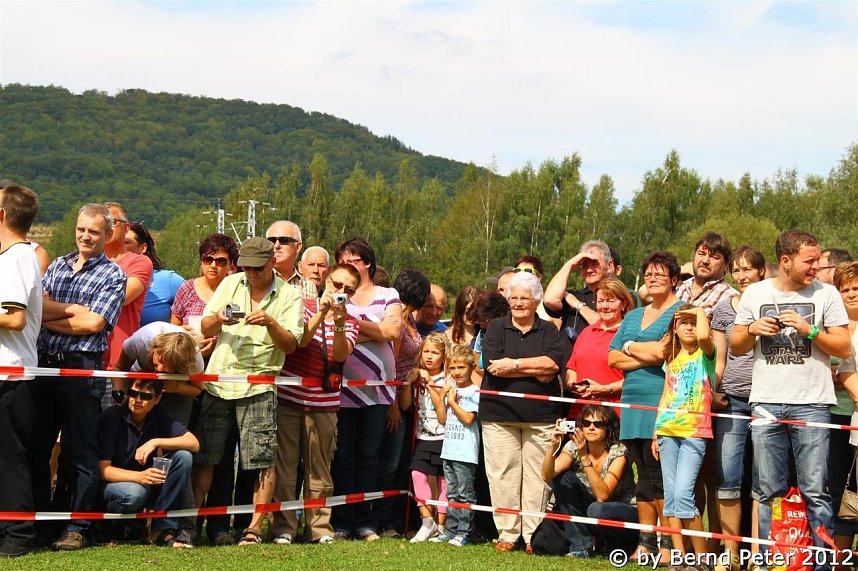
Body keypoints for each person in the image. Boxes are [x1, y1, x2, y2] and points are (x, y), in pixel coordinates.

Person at [732, 229, 851, 568]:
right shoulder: (756, 292)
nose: (816, 267)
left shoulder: (827, 293)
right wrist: (752, 329)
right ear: (786, 261)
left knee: (815, 491)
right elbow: (737, 345)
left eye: (817, 261)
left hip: (813, 403)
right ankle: (771, 562)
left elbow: (843, 347)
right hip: (766, 403)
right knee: (767, 490)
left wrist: (808, 329)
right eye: (809, 261)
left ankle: (822, 564)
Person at [191, 236, 303, 546]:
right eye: (246, 268)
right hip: (219, 384)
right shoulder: (231, 283)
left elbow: (290, 344)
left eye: (257, 268)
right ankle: (190, 523)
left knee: (261, 461)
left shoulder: (289, 296)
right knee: (207, 458)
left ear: (272, 263)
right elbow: (206, 326)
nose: (251, 274)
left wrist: (270, 323)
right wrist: (219, 319)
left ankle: (253, 529)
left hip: (259, 386)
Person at [30, 203, 126, 551]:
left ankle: (77, 526)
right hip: (44, 365)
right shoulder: (57, 265)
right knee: (38, 448)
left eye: (94, 231)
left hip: (82, 368)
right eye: (81, 229)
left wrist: (50, 316)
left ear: (108, 234)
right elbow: (35, 309)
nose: (85, 236)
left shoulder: (113, 275)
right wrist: (72, 310)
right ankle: (42, 523)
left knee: (80, 453)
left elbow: (95, 323)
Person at [270, 263, 360, 545]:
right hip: (289, 400)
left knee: (319, 470)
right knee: (284, 468)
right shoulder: (302, 307)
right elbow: (299, 342)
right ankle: (283, 528)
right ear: (326, 280)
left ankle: (319, 529)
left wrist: (339, 323)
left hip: (324, 405)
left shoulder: (351, 322)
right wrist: (322, 311)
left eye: (348, 289)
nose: (341, 291)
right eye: (337, 284)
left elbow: (341, 355)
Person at [481, 271, 565, 553]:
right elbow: (493, 365)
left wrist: (514, 365)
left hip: (541, 417)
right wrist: (535, 368)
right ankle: (507, 533)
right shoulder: (495, 328)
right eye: (514, 297)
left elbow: (553, 365)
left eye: (524, 298)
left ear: (536, 301)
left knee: (538, 477)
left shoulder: (549, 330)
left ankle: (533, 536)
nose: (518, 303)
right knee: (502, 473)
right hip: (498, 415)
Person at [608, 251, 684, 560]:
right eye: (648, 274)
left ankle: (668, 544)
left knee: (659, 475)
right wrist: (642, 351)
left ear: (674, 279)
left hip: (661, 400)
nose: (652, 279)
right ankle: (645, 541)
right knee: (642, 473)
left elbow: (667, 353)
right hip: (631, 402)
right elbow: (612, 357)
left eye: (659, 274)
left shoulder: (681, 311)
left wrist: (629, 348)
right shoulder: (633, 315)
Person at [331, 237, 402, 541]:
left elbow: (393, 330)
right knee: (342, 458)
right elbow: (332, 332)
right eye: (343, 261)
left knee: (369, 458)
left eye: (354, 260)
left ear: (368, 263)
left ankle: (365, 521)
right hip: (341, 391)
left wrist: (350, 324)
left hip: (378, 392)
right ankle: (341, 521)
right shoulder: (336, 293)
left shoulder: (388, 294)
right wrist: (374, 331)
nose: (348, 266)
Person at [711, 245, 766, 571]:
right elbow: (720, 359)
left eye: (748, 269)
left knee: (763, 482)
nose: (742, 275)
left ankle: (758, 555)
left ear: (762, 271)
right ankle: (730, 554)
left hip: (768, 401)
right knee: (727, 477)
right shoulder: (723, 308)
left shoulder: (773, 303)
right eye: (737, 270)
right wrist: (713, 391)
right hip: (731, 400)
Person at [97, 379, 199, 547]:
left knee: (183, 457)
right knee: (135, 494)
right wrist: (140, 476)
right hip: (112, 486)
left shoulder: (159, 414)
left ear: (157, 399)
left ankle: (160, 529)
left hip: (145, 483)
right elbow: (102, 470)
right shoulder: (110, 418)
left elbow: (194, 443)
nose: (137, 400)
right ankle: (107, 525)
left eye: (145, 396)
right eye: (133, 393)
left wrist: (155, 442)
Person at [653, 305, 715, 566]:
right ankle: (678, 557)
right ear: (675, 329)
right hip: (667, 431)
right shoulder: (671, 359)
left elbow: (703, 336)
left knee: (683, 494)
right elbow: (665, 395)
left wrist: (697, 311)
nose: (689, 327)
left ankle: (702, 559)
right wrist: (656, 432)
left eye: (693, 322)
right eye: (683, 323)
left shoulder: (705, 354)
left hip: (694, 433)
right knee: (670, 498)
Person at [0, 183, 42, 557]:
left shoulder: (15, 258)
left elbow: (14, 318)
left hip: (11, 375)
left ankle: (18, 534)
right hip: (9, 374)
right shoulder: (14, 256)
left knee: (10, 459)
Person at [541, 406, 638, 557]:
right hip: (592, 510)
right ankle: (581, 547)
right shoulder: (574, 446)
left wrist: (584, 457)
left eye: (598, 424)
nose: (591, 428)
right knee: (563, 479)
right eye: (586, 423)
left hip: (622, 511)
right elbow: (547, 475)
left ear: (608, 428)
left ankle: (617, 545)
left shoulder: (619, 451)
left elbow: (603, 495)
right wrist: (553, 447)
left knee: (597, 509)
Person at [377, 269, 430, 538]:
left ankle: (395, 520)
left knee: (400, 465)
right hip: (394, 400)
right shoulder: (398, 322)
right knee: (390, 463)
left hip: (407, 399)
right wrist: (393, 405)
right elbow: (392, 364)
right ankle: (384, 521)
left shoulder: (409, 320)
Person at [401, 333, 450, 543]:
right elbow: (405, 405)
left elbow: (442, 414)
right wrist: (407, 382)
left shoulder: (448, 378)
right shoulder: (416, 375)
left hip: (445, 436)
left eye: (435, 353)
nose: (429, 357)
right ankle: (427, 520)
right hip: (423, 436)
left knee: (443, 481)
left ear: (444, 356)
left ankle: (441, 525)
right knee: (417, 474)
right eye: (426, 351)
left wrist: (430, 383)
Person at [431, 344, 480, 547]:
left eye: (461, 367)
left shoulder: (474, 391)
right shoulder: (452, 390)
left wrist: (452, 402)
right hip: (449, 449)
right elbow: (442, 419)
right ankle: (450, 530)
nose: (457, 372)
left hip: (465, 452)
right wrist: (443, 399)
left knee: (465, 493)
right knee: (451, 493)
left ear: (471, 367)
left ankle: (464, 532)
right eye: (452, 368)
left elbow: (468, 419)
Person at [111, 322, 204, 426]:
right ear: (154, 348)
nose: (159, 368)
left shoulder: (194, 358)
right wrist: (119, 393)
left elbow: (197, 389)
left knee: (172, 428)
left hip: (176, 391)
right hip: (140, 378)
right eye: (159, 361)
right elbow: (120, 368)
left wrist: (176, 387)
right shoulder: (140, 340)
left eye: (166, 368)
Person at [565, 278, 634, 419]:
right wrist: (573, 384)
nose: (605, 306)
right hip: (581, 413)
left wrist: (604, 389)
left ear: (624, 303)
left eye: (610, 301)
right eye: (600, 301)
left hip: (614, 414)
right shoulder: (586, 332)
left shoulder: (630, 334)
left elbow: (636, 378)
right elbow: (572, 368)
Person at [102, 202, 153, 372]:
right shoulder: (81, 261)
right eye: (102, 221)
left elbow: (122, 298)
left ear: (126, 227)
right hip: (81, 357)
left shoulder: (139, 262)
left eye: (112, 221)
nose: (107, 226)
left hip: (120, 361)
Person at [170, 232, 238, 360]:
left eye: (220, 261)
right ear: (201, 261)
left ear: (231, 265)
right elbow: (173, 327)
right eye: (208, 259)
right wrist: (180, 331)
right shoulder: (187, 288)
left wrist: (216, 343)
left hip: (224, 359)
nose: (213, 266)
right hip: (188, 358)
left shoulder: (237, 291)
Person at [544, 240, 620, 352]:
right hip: (568, 363)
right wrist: (569, 264)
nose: (589, 270)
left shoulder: (620, 298)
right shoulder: (574, 295)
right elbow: (550, 300)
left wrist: (578, 305)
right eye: (584, 266)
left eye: (594, 264)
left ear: (609, 265)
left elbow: (608, 326)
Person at [830, 262, 858, 561]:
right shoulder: (833, 327)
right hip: (836, 417)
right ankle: (840, 560)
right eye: (845, 289)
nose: (851, 294)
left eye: (856, 288)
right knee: (842, 491)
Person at [126, 222, 185, 327]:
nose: (119, 247)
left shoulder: (167, 280)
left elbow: (194, 297)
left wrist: (179, 329)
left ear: (142, 248)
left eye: (126, 242)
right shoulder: (105, 277)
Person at [675, 231, 738, 316]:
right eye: (701, 254)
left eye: (714, 257)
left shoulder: (730, 299)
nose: (705, 261)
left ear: (726, 265)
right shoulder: (678, 289)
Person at [265, 220, 317, 300]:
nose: (276, 245)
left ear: (298, 246)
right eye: (271, 241)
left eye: (284, 240)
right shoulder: (254, 280)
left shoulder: (309, 288)